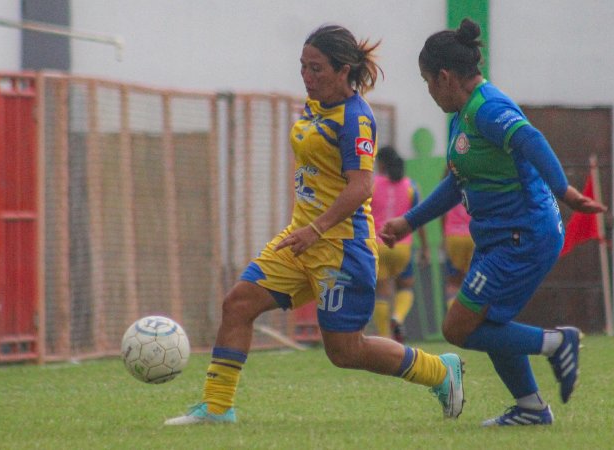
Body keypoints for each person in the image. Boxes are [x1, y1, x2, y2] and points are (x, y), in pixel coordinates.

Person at [165, 24, 463, 426]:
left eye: (316, 68)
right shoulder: (316, 104)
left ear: (344, 71)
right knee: (237, 304)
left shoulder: (356, 119)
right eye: (303, 67)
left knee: (345, 352)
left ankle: (440, 371)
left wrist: (316, 228)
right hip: (300, 240)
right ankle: (217, 408)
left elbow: (361, 188)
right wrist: (306, 229)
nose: (306, 76)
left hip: (340, 247)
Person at [379, 19, 607, 427]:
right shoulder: (461, 116)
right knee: (490, 323)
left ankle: (557, 343)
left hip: (523, 235)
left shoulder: (488, 107)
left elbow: (530, 139)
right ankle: (532, 408)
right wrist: (409, 222)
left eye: (427, 81)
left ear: (445, 77)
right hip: (500, 236)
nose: (428, 91)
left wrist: (564, 190)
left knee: (459, 327)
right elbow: (457, 182)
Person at [370, 146, 429, 343]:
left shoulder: (373, 184)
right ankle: (398, 317)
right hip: (402, 246)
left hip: (378, 245)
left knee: (382, 291)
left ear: (382, 164)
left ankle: (383, 335)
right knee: (406, 286)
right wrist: (425, 248)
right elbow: (418, 218)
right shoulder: (411, 186)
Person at [441, 186, 474, 311]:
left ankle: (453, 316)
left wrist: (444, 237)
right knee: (471, 282)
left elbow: (441, 213)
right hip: (472, 236)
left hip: (453, 237)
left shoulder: (448, 187)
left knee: (453, 283)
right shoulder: (475, 180)